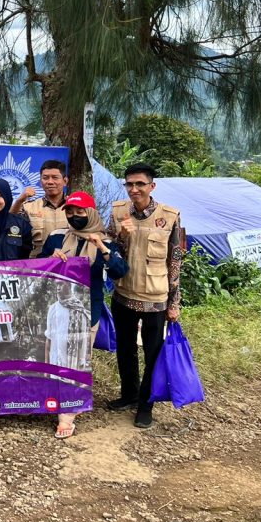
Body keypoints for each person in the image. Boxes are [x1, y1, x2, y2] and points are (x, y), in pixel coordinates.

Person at [40, 190, 128, 439]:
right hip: (58, 309)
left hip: (89, 309)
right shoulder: (57, 237)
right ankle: (58, 398)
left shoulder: (106, 241)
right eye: (70, 211)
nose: (75, 215)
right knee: (58, 356)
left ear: (90, 213)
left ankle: (66, 413)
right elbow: (38, 268)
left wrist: (100, 246)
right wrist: (50, 259)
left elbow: (119, 271)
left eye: (80, 211)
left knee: (78, 358)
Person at [106, 163, 182, 429]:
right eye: (130, 184)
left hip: (155, 296)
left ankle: (145, 404)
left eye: (140, 184)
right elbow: (109, 252)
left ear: (152, 186)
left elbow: (175, 260)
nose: (134, 189)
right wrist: (121, 238)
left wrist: (174, 302)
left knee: (153, 353)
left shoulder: (170, 216)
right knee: (125, 348)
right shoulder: (118, 212)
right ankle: (129, 394)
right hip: (123, 293)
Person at [11, 159, 70, 257]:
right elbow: (10, 222)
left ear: (65, 181)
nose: (50, 182)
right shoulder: (29, 207)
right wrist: (19, 200)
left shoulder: (76, 207)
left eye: (55, 177)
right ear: (40, 181)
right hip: (38, 265)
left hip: (68, 264)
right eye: (45, 178)